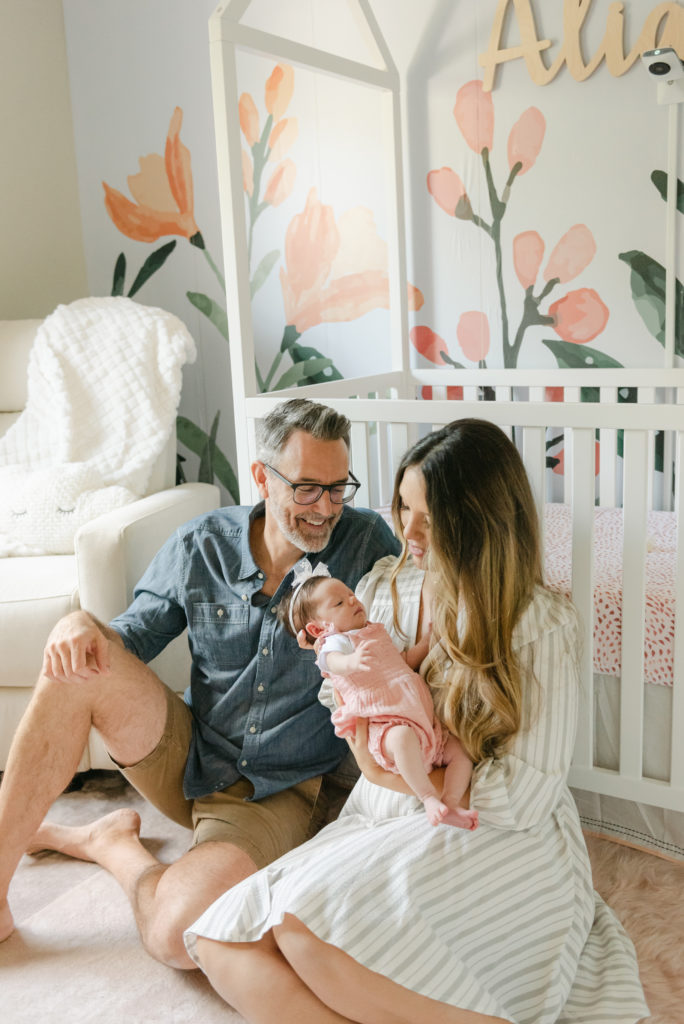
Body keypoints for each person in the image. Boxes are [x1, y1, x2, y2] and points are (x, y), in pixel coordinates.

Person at [183, 418, 649, 1024]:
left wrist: (414, 788)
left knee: (301, 931)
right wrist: (374, 752)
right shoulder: (381, 587)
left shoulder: (540, 623)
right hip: (386, 806)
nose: (408, 530)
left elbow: (529, 790)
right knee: (224, 942)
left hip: (488, 822)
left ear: (480, 520)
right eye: (402, 507)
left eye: (431, 517)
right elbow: (350, 697)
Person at [0, 398, 400, 967]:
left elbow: (416, 622)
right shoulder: (202, 543)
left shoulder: (367, 545)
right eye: (307, 488)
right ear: (262, 477)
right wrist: (77, 624)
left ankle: (110, 845)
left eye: (339, 488)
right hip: (191, 755)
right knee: (76, 660)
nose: (326, 508)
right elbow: (127, 640)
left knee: (176, 936)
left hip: (276, 793)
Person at [279, 568, 477, 829]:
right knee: (403, 738)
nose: (352, 600)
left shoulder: (373, 631)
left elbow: (401, 661)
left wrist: (428, 642)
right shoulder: (336, 642)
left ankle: (450, 803)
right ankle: (428, 797)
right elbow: (331, 661)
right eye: (339, 602)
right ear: (318, 628)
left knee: (461, 752)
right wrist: (351, 662)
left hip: (425, 727)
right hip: (388, 728)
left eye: (350, 594)